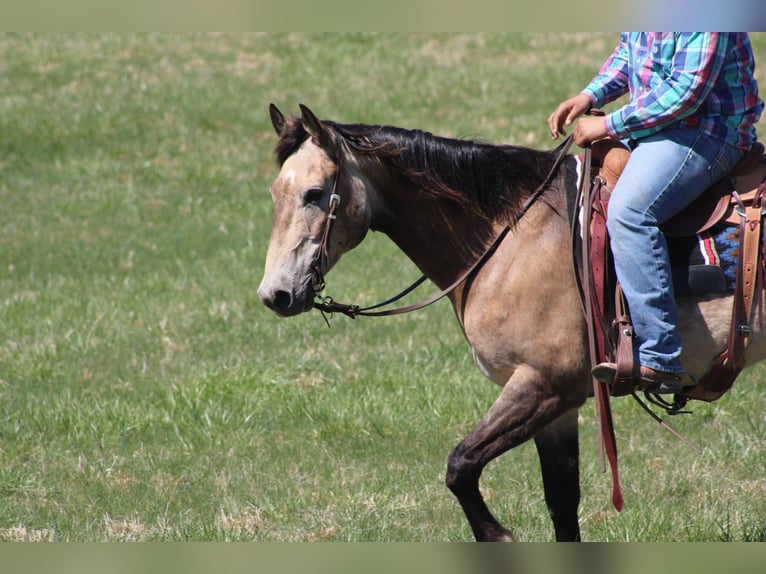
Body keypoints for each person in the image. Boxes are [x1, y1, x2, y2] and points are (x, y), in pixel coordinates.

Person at [548, 32, 763, 393]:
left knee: (631, 211)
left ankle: (661, 355)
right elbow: (630, 55)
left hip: (706, 131)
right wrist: (591, 94)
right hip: (656, 127)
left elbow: (685, 94)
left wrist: (606, 124)